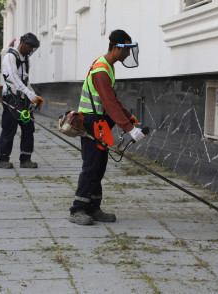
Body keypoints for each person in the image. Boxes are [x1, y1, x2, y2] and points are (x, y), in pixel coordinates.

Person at [69, 29, 146, 225]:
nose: (128, 53)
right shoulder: (102, 70)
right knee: (91, 166)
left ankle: (94, 207)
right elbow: (110, 104)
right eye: (126, 49)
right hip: (91, 123)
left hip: (99, 124)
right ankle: (78, 209)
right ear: (115, 48)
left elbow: (113, 101)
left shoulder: (108, 66)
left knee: (99, 167)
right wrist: (129, 129)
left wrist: (130, 119)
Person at [0, 32, 45, 169]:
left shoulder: (25, 59)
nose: (31, 50)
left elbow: (25, 79)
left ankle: (25, 159)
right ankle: (3, 159)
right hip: (11, 99)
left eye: (33, 48)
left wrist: (33, 95)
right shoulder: (10, 56)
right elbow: (14, 78)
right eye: (30, 47)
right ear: (23, 43)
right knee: (9, 129)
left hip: (24, 100)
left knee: (29, 128)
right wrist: (28, 93)